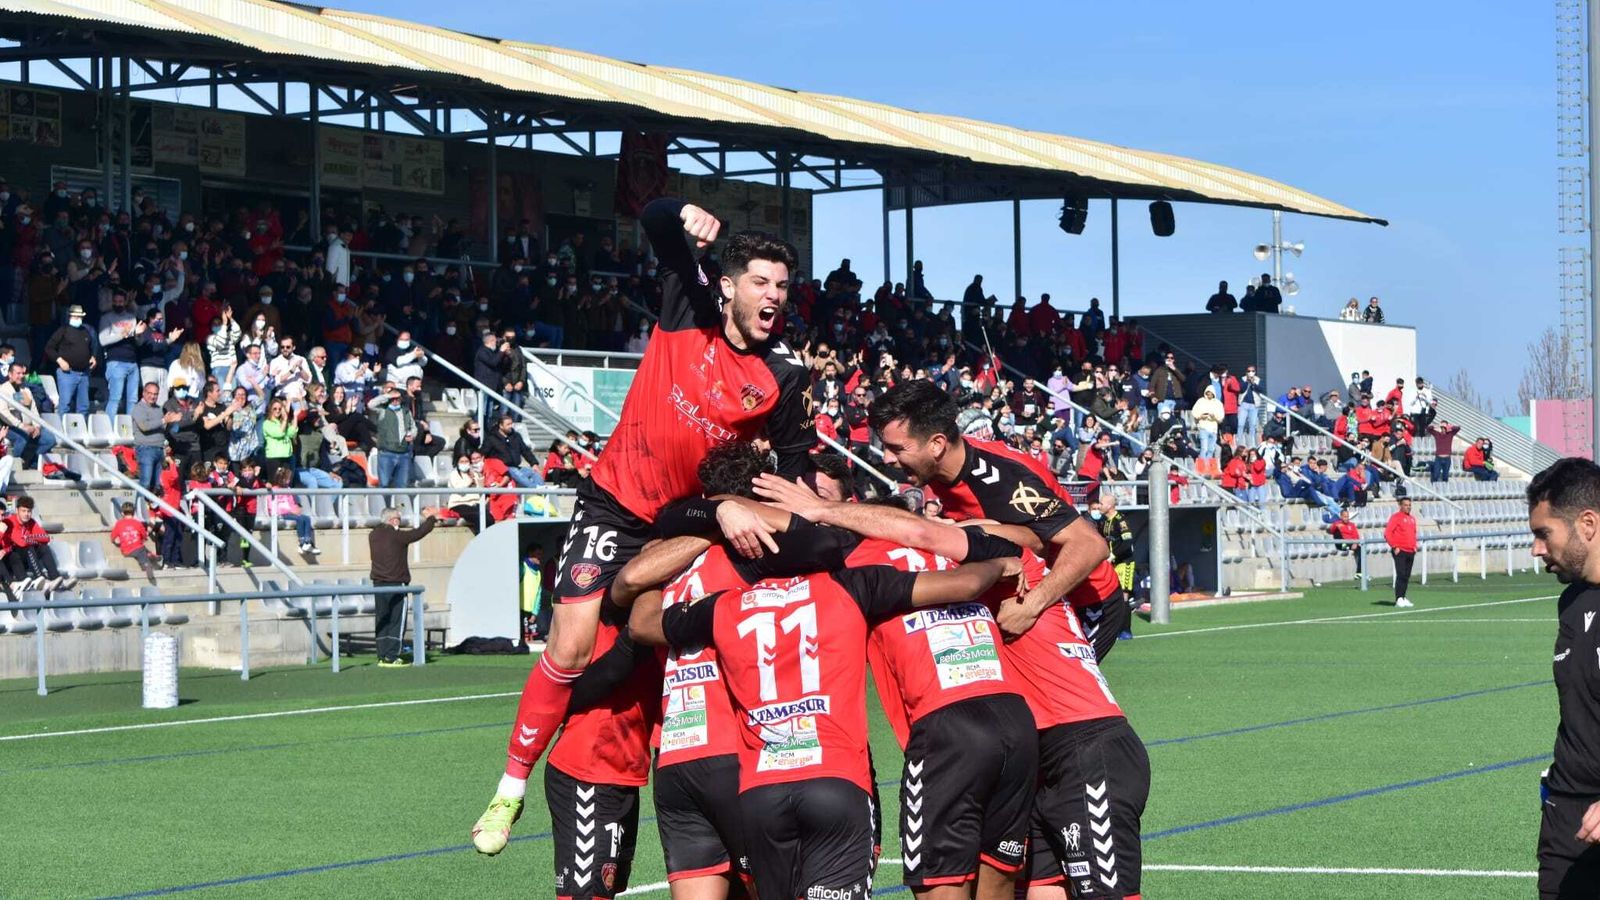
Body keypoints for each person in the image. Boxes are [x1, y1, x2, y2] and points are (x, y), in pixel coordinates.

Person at [473, 196, 816, 856]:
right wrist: (681, 213)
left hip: (686, 524)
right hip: (612, 501)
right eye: (760, 281)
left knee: (684, 650)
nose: (773, 295)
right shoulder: (689, 305)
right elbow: (656, 225)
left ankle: (731, 799)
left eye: (782, 285)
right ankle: (510, 786)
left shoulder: (785, 375)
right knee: (571, 647)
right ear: (729, 285)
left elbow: (795, 476)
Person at [1526, 458, 1600, 898]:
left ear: (1587, 524)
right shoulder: (1571, 602)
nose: (1536, 549)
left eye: (1543, 533)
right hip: (1566, 822)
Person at [369, 505, 437, 666]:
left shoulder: (373, 534)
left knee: (382, 619)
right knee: (396, 621)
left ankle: (382, 654)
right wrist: (431, 519)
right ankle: (392, 656)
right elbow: (418, 533)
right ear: (393, 520)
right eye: (399, 519)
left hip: (378, 584)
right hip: (396, 584)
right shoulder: (396, 536)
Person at [7, 496, 72, 592]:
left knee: (43, 548)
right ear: (17, 511)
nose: (26, 514)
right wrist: (33, 540)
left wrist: (29, 538)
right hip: (14, 561)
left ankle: (56, 578)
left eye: (29, 511)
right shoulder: (11, 522)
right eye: (23, 511)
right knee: (28, 547)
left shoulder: (31, 522)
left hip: (28, 556)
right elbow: (21, 542)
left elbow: (46, 537)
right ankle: (41, 579)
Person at [0, 362, 55, 469]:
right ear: (10, 374)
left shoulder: (25, 390)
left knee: (50, 439)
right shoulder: (3, 390)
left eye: (23, 373)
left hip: (30, 426)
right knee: (23, 438)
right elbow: (3, 412)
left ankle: (29, 460)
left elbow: (33, 410)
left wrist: (37, 426)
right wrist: (21, 426)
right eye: (18, 373)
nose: (21, 376)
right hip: (10, 427)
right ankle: (15, 465)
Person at [44, 304, 95, 414]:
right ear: (70, 317)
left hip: (84, 373)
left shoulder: (85, 331)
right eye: (75, 317)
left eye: (80, 317)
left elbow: (89, 349)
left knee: (84, 406)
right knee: (65, 404)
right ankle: (62, 430)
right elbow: (49, 348)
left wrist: (93, 358)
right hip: (67, 373)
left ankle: (81, 429)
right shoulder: (63, 330)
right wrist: (60, 360)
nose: (78, 319)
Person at [263, 467, 319, 556]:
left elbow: (291, 502)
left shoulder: (288, 489)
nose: (289, 480)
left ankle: (307, 542)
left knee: (306, 518)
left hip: (289, 512)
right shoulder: (274, 490)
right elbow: (273, 506)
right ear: (281, 479)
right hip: (279, 514)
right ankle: (302, 543)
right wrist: (291, 510)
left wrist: (296, 508)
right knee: (300, 519)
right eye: (287, 478)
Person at [129, 382, 169, 494]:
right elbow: (144, 426)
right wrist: (164, 420)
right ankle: (139, 508)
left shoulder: (159, 409)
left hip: (160, 449)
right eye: (150, 393)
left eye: (155, 394)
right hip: (145, 449)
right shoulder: (138, 408)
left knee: (157, 485)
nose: (153, 396)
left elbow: (162, 429)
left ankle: (153, 510)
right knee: (145, 483)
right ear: (143, 393)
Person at [110, 502, 158, 582]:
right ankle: (147, 566)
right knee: (142, 552)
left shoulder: (119, 523)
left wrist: (115, 542)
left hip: (126, 551)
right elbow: (144, 536)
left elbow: (112, 537)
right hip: (138, 549)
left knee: (142, 550)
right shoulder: (138, 523)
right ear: (134, 512)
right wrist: (143, 538)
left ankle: (151, 555)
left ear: (122, 513)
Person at [1384, 495, 1417, 607]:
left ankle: (1403, 596)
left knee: (1407, 575)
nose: (1408, 507)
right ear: (1400, 506)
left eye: (1409, 505)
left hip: (1410, 550)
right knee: (1401, 574)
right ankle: (1398, 598)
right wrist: (1394, 546)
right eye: (1406, 505)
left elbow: (1413, 533)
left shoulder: (1412, 519)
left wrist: (1414, 546)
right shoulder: (1396, 517)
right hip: (1400, 550)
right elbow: (1388, 533)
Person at [1329, 507, 1362, 575]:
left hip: (1349, 545)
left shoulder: (1352, 525)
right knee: (1337, 530)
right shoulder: (1337, 523)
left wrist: (1355, 543)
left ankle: (1359, 572)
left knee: (1360, 550)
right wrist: (1336, 525)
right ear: (1341, 517)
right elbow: (1331, 531)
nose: (1346, 518)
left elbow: (1356, 536)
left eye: (1347, 517)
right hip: (1341, 545)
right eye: (1344, 517)